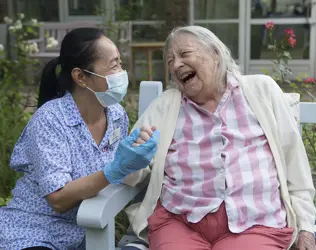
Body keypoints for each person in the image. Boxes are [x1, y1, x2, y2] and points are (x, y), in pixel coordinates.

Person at [122, 26, 316, 250]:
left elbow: (295, 165)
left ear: (216, 53)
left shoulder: (261, 90)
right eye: (169, 62)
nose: (176, 65)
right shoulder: (167, 104)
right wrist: (133, 157)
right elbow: (131, 174)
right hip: (179, 222)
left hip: (256, 223)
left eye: (184, 54)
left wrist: (305, 228)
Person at [0, 27, 159, 250]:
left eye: (120, 63)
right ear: (81, 77)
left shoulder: (115, 115)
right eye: (113, 65)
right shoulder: (50, 120)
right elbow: (58, 199)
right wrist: (114, 170)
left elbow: (122, 171)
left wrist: (137, 158)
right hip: (33, 231)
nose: (121, 72)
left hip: (83, 231)